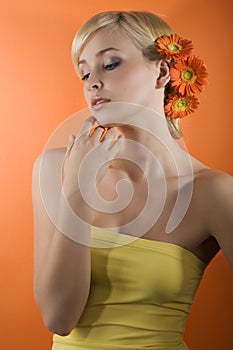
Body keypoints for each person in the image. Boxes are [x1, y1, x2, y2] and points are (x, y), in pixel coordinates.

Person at [32, 11, 233, 350]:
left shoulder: (213, 191)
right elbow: (59, 319)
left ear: (163, 72)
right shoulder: (54, 169)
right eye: (84, 73)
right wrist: (76, 194)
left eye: (110, 64)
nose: (92, 82)